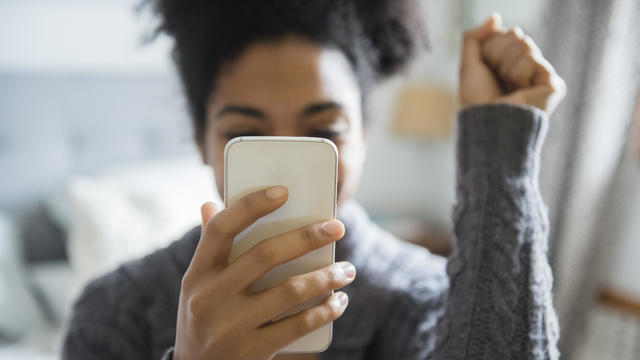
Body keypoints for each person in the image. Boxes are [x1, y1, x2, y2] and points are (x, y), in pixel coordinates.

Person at [62, 0, 566, 359]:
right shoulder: (115, 309)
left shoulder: (419, 295)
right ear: (200, 139)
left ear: (365, 135)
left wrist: (501, 152)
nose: (288, 162)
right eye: (246, 133)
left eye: (323, 131)